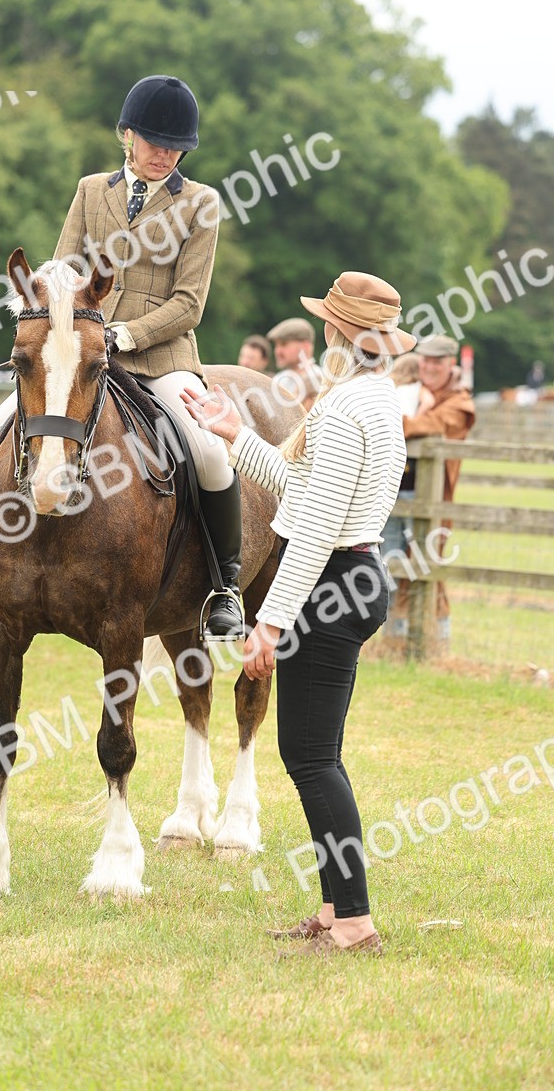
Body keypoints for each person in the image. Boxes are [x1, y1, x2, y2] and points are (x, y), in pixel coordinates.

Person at [0, 74, 244, 640]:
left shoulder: (199, 204)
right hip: (80, 358)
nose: (164, 154)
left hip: (161, 360)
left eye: (175, 146)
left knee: (211, 454)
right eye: (154, 142)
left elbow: (189, 304)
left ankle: (224, 588)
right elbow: (63, 266)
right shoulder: (92, 190)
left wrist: (125, 335)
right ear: (127, 135)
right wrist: (48, 307)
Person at [182, 272, 415, 958]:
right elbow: (305, 488)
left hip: (332, 579)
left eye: (327, 325)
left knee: (312, 759)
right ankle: (334, 909)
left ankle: (355, 924)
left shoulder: (345, 408)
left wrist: (272, 620)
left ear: (338, 334)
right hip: (353, 571)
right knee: (315, 756)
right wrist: (233, 433)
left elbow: (313, 525)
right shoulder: (372, 398)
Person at [385, 334, 476, 643]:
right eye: (424, 359)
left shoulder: (460, 401)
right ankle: (392, 639)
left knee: (427, 565)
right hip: (395, 492)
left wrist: (403, 420)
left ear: (451, 363)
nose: (429, 366)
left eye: (437, 361)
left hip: (435, 498)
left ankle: (437, 640)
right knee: (390, 564)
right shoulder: (412, 391)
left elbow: (432, 426)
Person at [379, 352, 422, 559]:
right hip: (411, 480)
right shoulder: (415, 392)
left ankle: (391, 590)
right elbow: (407, 423)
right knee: (417, 544)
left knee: (390, 545)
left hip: (387, 481)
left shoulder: (387, 391)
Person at [266, 317, 321, 410]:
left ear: (305, 346)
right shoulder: (277, 380)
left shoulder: (324, 381)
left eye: (284, 344)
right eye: (276, 345)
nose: (277, 351)